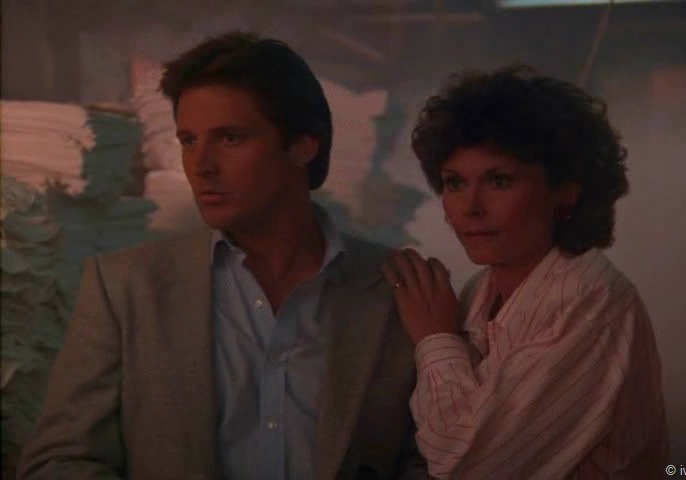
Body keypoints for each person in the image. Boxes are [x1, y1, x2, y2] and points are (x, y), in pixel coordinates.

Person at [17, 32, 427, 480]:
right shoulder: (128, 286)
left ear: (303, 145)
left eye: (230, 138)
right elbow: (57, 461)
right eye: (189, 140)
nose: (201, 165)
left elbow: (431, 459)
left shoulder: (398, 286)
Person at [382, 65, 669, 479]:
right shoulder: (481, 288)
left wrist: (436, 339)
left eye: (499, 181)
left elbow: (467, 464)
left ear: (566, 190)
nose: (470, 207)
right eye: (454, 183)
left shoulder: (590, 301)